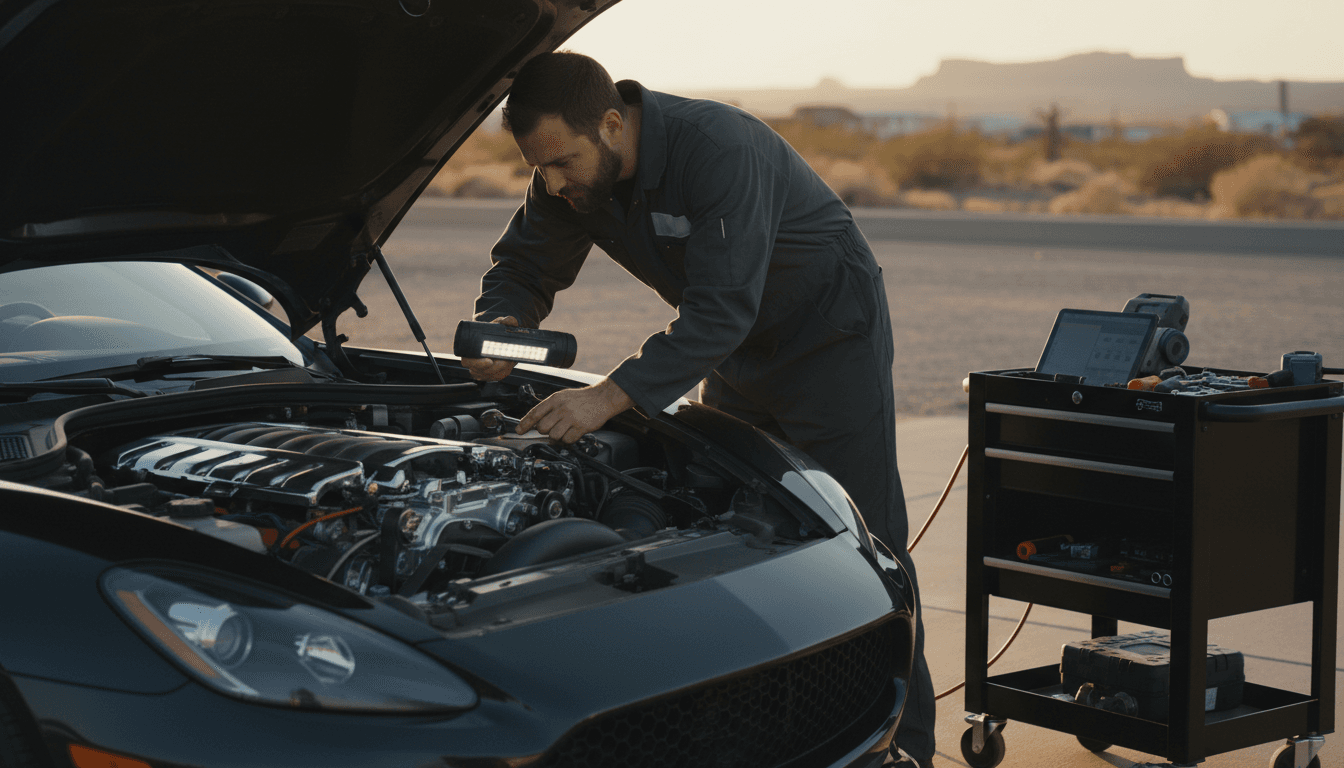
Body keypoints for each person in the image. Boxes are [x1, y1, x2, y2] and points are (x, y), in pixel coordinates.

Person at [462, 51, 936, 767]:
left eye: (561, 162)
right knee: (741, 536)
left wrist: (606, 399)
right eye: (539, 168)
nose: (552, 183)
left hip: (828, 338)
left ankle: (911, 750)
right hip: (735, 349)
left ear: (614, 125)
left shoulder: (717, 149)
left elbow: (719, 311)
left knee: (868, 551)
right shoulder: (571, 177)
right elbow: (524, 268)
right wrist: (502, 329)